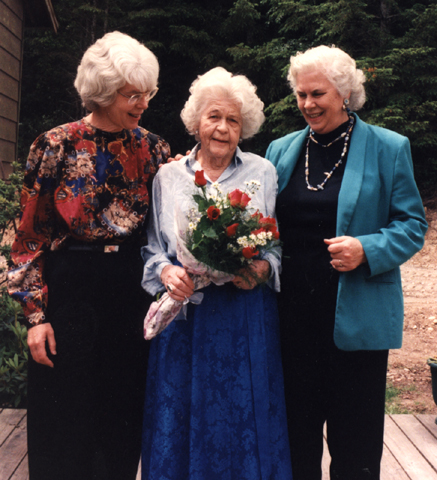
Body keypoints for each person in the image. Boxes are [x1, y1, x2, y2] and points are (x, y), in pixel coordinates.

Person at [7, 31, 170, 480]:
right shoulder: (55, 145)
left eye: (147, 93)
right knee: (65, 423)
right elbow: (28, 239)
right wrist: (36, 317)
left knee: (121, 419)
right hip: (71, 289)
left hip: (130, 290)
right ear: (101, 91)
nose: (142, 103)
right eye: (131, 94)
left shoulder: (154, 148)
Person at [266, 45, 428, 480]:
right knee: (293, 442)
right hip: (290, 322)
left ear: (344, 92)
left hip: (356, 325)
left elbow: (413, 225)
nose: (306, 104)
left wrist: (367, 249)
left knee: (355, 449)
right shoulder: (280, 150)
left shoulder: (388, 148)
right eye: (300, 94)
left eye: (316, 93)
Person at [141, 67, 293, 479]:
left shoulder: (262, 172)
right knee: (181, 417)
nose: (222, 128)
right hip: (186, 314)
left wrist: (262, 266)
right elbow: (153, 247)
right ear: (196, 122)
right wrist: (166, 273)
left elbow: (276, 242)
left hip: (243, 315)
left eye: (232, 120)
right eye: (214, 117)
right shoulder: (168, 176)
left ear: (244, 127)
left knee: (241, 414)